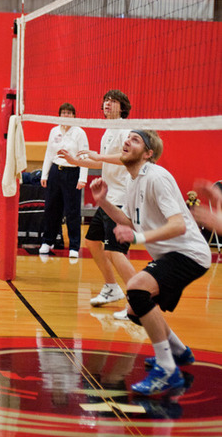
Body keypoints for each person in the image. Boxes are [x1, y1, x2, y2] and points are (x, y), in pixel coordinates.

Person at [90, 129, 211, 396]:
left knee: (136, 289)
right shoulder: (133, 180)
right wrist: (104, 202)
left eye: (135, 140)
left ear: (148, 153)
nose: (126, 141)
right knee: (135, 310)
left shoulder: (156, 177)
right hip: (171, 255)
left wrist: (139, 238)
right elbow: (129, 222)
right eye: (128, 138)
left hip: (189, 253)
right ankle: (179, 351)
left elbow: (178, 225)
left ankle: (167, 369)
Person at [60, 90, 136, 316]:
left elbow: (128, 159)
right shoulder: (107, 131)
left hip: (121, 200)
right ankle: (112, 288)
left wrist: (98, 156)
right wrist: (75, 161)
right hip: (108, 200)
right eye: (105, 101)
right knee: (92, 241)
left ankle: (138, 301)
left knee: (115, 251)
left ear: (122, 107)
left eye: (113, 101)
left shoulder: (126, 130)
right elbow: (103, 162)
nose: (107, 104)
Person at [39, 103, 88, 260]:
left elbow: (84, 156)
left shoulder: (79, 132)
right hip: (55, 172)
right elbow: (49, 153)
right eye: (63, 113)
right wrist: (44, 175)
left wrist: (82, 178)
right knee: (51, 208)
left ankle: (74, 246)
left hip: (72, 173)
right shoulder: (54, 131)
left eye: (69, 113)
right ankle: (48, 241)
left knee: (72, 211)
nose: (66, 115)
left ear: (74, 116)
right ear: (59, 115)